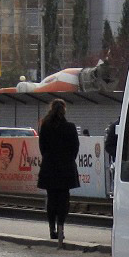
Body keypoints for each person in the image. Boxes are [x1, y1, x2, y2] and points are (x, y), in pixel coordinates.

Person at [38, 99, 80, 247]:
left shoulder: (45, 126)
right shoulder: (70, 127)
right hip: (66, 168)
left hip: (49, 167)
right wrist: (68, 160)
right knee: (64, 199)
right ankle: (61, 226)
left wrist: (49, 158)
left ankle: (52, 229)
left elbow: (42, 147)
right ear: (64, 110)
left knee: (51, 199)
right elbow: (75, 147)